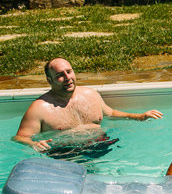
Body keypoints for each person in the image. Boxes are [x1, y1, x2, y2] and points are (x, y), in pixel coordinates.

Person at [12, 58, 163, 156]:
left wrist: (140, 116)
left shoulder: (91, 95)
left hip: (101, 146)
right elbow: (19, 137)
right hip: (65, 155)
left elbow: (110, 113)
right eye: (60, 75)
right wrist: (33, 143)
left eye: (69, 72)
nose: (67, 78)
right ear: (49, 80)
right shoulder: (39, 108)